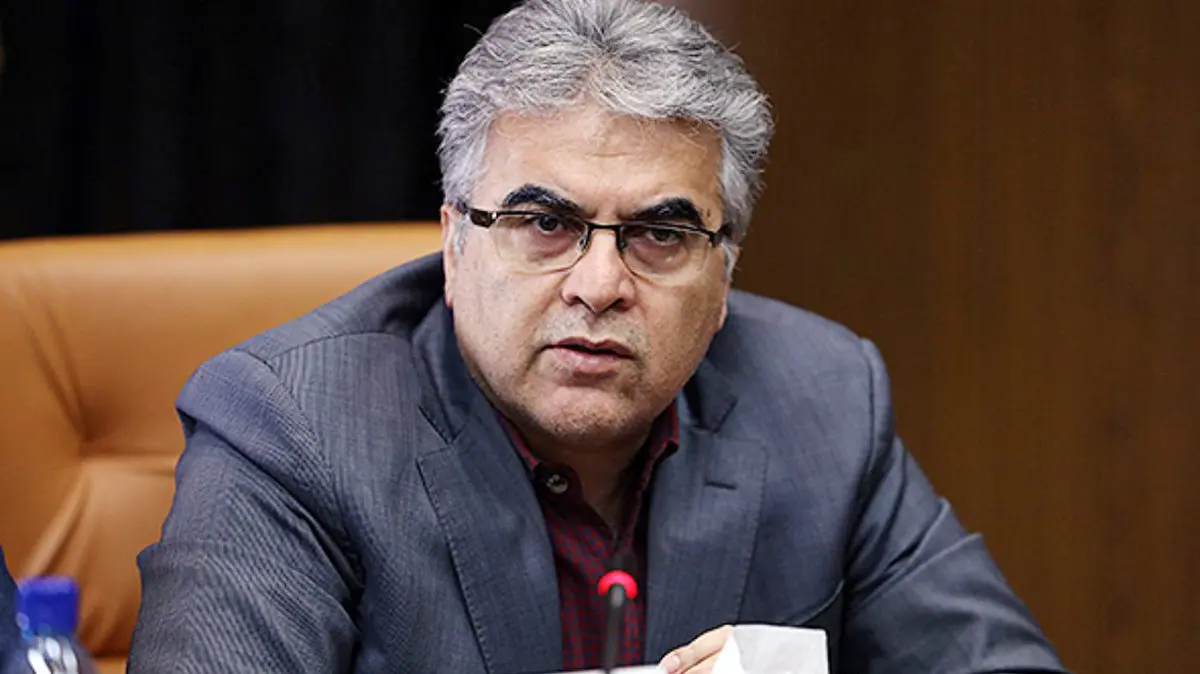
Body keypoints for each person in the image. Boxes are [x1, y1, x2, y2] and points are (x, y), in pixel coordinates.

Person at [129, 1, 1067, 672]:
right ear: (455, 244)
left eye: (660, 235)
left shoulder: (823, 399)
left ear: (724, 273)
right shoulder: (291, 424)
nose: (600, 285)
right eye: (545, 223)